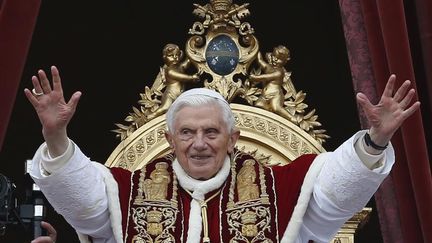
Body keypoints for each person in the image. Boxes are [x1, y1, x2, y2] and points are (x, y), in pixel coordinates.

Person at [25, 66, 420, 243]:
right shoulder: (128, 193)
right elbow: (82, 202)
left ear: (233, 138)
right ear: (169, 138)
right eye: (187, 133)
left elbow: (336, 192)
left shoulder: (281, 190)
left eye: (211, 131)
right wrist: (56, 135)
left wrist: (375, 140)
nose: (199, 143)